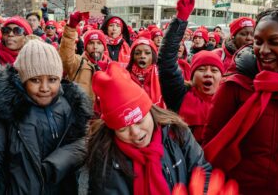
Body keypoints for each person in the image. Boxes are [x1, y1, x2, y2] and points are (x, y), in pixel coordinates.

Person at [203, 7, 278, 194]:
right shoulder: (235, 86)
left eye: (274, 42)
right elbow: (212, 144)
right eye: (258, 42)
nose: (263, 50)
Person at [0, 39, 92, 194]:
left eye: (52, 80)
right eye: (35, 80)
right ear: (22, 79)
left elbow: (82, 142)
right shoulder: (1, 109)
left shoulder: (70, 107)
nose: (44, 88)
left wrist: (54, 165)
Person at [84, 62, 212, 194]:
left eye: (139, 121)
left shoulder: (177, 132)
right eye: (123, 129)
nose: (135, 133)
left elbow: (202, 170)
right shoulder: (103, 157)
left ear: (150, 112)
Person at [158, 0, 223, 144]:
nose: (208, 74)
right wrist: (180, 19)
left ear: (222, 77)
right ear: (192, 77)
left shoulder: (229, 102)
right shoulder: (180, 95)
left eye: (214, 70)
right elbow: (166, 62)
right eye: (201, 70)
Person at [59, 11, 110, 102]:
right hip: (83, 114)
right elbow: (65, 57)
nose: (95, 46)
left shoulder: (111, 67)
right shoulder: (77, 63)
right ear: (85, 46)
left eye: (99, 43)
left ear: (104, 46)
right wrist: (71, 27)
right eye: (91, 43)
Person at [126, 37, 165, 108]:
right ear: (132, 57)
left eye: (147, 53)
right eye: (137, 53)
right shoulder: (125, 76)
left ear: (153, 56)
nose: (142, 56)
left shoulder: (162, 75)